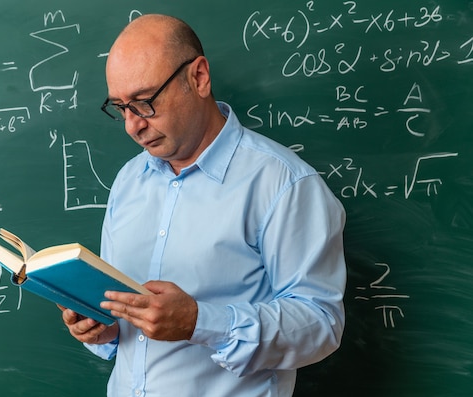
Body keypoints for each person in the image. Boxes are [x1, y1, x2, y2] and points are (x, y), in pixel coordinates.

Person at [60, 14, 347, 397]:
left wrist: (200, 321)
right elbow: (125, 314)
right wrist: (102, 327)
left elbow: (321, 324)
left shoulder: (283, 184)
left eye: (144, 103)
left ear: (198, 77)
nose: (133, 125)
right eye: (120, 107)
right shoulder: (129, 181)